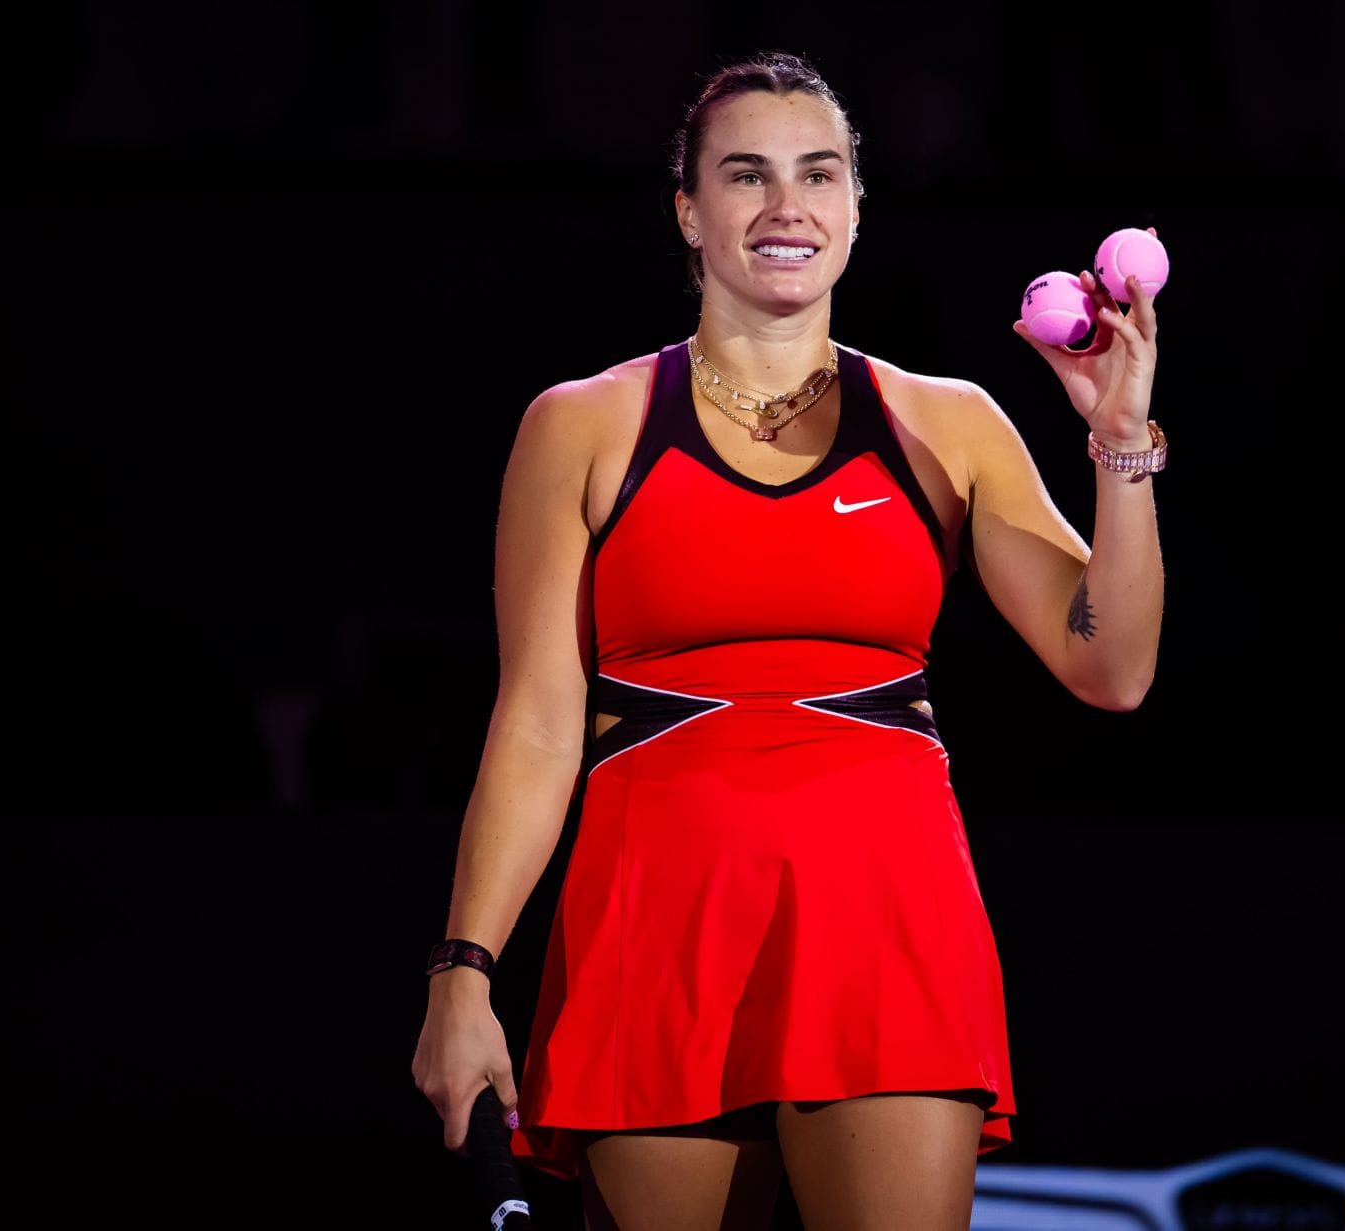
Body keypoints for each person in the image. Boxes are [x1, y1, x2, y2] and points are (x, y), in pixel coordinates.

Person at [412, 51, 1165, 1230]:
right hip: (656, 914)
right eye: (745, 174)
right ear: (688, 210)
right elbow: (539, 725)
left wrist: (1121, 443)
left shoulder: (950, 422)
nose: (786, 206)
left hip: (887, 916)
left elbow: (1111, 668)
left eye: (818, 174)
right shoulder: (580, 425)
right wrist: (465, 972)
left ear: (856, 207)